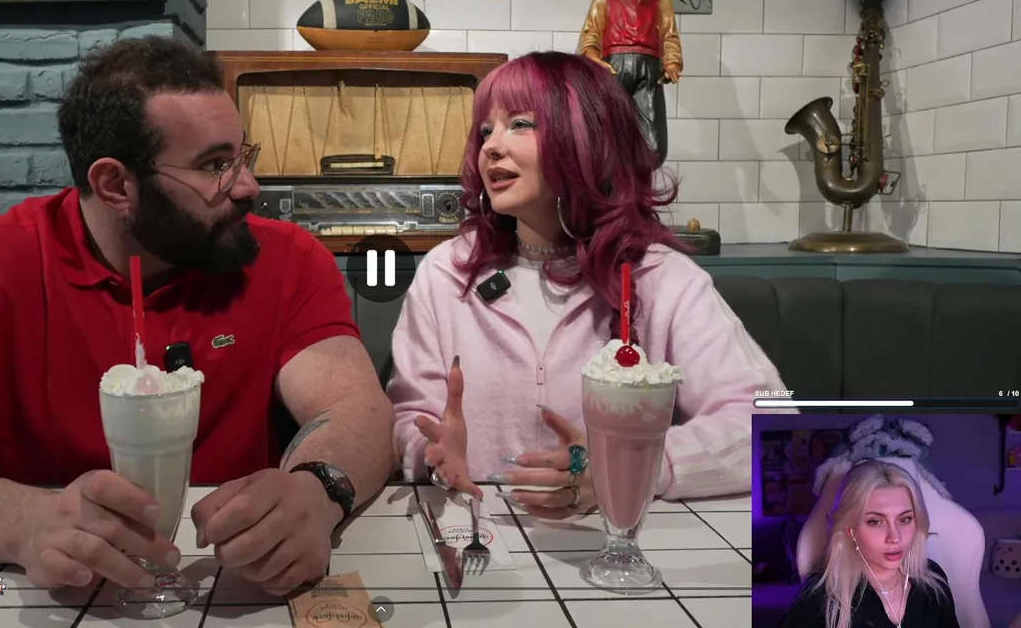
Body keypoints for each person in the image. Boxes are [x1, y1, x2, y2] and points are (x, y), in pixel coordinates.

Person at [0, 36, 396, 598]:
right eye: (214, 166)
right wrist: (25, 521)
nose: (247, 186)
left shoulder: (285, 259)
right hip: (36, 594)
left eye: (242, 155)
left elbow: (357, 409)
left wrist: (319, 487)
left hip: (226, 585)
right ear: (116, 185)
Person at [388, 51, 784, 518]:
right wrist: (431, 457)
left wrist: (632, 466)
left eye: (519, 124)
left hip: (613, 541)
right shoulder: (445, 273)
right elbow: (410, 419)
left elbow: (771, 424)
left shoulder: (661, 278)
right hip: (477, 533)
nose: (491, 146)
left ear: (585, 138)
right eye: (486, 130)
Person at [779, 460, 958, 628]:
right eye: (875, 522)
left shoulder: (934, 582)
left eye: (905, 519)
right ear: (850, 529)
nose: (895, 537)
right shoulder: (819, 599)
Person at [578, 0, 682, 164]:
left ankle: (640, 181)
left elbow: (670, 35)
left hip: (649, 69)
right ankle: (613, 181)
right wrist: (594, 59)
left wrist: (672, 62)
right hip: (614, 68)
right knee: (609, 136)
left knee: (653, 146)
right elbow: (590, 35)